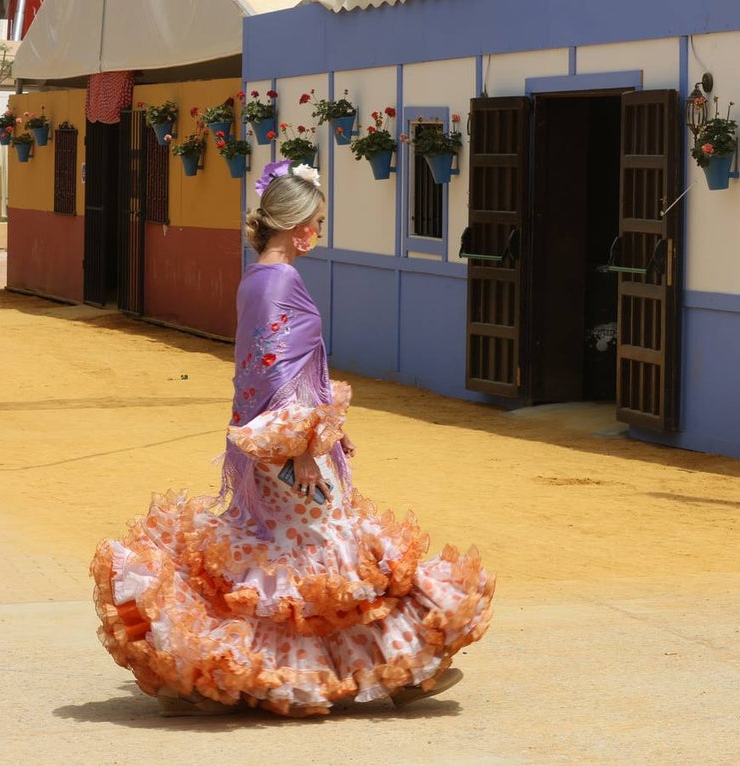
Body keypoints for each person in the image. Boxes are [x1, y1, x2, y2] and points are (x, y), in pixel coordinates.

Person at [90, 162, 494, 717]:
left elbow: (274, 370)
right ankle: (388, 671)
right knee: (329, 557)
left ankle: (313, 672)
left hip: (273, 441)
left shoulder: (258, 278)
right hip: (286, 447)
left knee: (295, 563)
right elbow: (276, 374)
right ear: (297, 224)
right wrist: (304, 447)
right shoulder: (280, 280)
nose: (319, 234)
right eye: (318, 222)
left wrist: (327, 430)